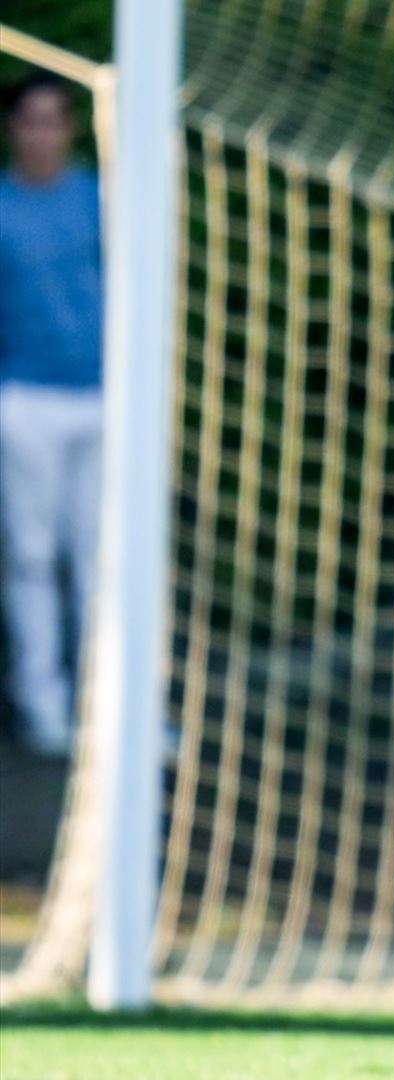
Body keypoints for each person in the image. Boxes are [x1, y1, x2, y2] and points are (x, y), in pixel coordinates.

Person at [0, 71, 104, 760]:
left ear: (70, 128)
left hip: (100, 397)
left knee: (101, 560)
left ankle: (110, 711)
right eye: (31, 121)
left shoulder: (99, 197)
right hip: (25, 401)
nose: (43, 134)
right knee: (31, 557)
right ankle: (42, 707)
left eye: (55, 120)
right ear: (14, 128)